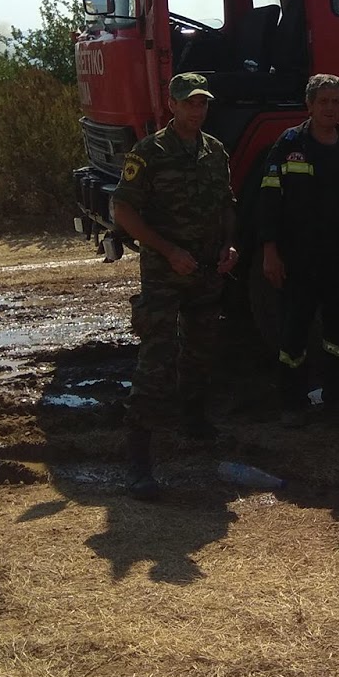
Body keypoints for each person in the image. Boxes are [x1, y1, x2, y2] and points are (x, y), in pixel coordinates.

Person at [110, 71, 239, 500]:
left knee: (202, 349)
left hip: (205, 272)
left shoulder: (215, 151)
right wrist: (168, 251)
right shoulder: (149, 152)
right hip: (166, 275)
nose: (197, 110)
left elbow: (226, 205)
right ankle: (139, 461)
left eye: (202, 103)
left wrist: (229, 246)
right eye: (189, 103)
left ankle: (194, 421)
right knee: (157, 360)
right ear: (172, 105)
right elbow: (123, 210)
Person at [256, 73, 339, 427]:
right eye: (324, 101)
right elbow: (269, 199)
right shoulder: (289, 144)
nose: (331, 108)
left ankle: (338, 395)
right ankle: (292, 402)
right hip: (298, 258)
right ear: (309, 105)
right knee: (294, 330)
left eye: (337, 101)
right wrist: (269, 250)